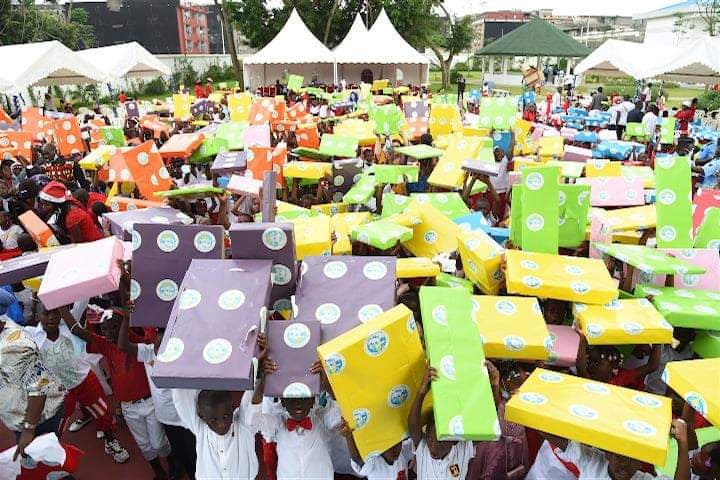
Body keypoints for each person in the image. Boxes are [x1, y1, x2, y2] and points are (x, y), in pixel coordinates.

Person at [66, 307, 172, 479]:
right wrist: (59, 306)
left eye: (114, 327)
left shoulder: (137, 343)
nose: (108, 333)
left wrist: (126, 313)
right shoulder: (106, 346)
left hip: (149, 402)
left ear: (125, 326)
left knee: (158, 443)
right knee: (144, 445)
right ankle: (158, 472)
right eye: (104, 329)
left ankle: (172, 461)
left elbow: (125, 338)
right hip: (129, 407)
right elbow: (77, 330)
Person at [25, 304, 130, 463]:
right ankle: (53, 454)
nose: (52, 316)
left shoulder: (70, 324)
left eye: (55, 311)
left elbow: (81, 300)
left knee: (102, 415)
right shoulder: (31, 334)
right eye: (46, 313)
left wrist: (59, 297)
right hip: (59, 390)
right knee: (56, 424)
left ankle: (110, 442)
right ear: (37, 316)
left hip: (85, 381)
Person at [118, 299, 196, 480]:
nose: (163, 352)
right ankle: (181, 469)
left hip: (187, 416)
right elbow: (122, 345)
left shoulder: (184, 353)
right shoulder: (148, 352)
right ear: (153, 344)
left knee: (193, 454)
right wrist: (127, 317)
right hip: (167, 417)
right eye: (159, 347)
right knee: (179, 451)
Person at [0, 289, 66, 461]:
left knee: (46, 462)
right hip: (18, 414)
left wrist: (29, 430)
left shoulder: (14, 345)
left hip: (37, 419)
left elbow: (39, 386)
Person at [251, 346, 336, 480]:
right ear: (282, 402)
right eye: (291, 398)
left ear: (313, 399)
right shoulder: (278, 423)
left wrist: (325, 383)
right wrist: (263, 381)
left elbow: (339, 410)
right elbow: (253, 417)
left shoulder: (322, 418)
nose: (298, 403)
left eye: (303, 397)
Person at [558, 418, 690, 479]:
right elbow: (547, 431)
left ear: (643, 460)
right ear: (607, 453)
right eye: (619, 455)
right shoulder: (592, 461)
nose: (624, 463)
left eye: (633, 457)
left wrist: (683, 443)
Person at [409, 366, 475, 479]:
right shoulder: (423, 448)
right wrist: (422, 391)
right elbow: (412, 424)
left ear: (454, 441)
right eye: (429, 438)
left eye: (441, 442)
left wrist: (494, 386)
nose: (433, 448)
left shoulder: (463, 448)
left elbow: (486, 425)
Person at [339, 418, 413, 480]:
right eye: (389, 446)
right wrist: (349, 437)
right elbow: (357, 458)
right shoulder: (374, 462)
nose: (394, 450)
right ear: (379, 445)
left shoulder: (403, 453)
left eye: (397, 444)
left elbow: (417, 439)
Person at [36, 181, 103, 244]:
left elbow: (77, 244)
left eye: (47, 205)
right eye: (42, 204)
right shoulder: (68, 208)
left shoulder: (72, 218)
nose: (44, 208)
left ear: (57, 204)